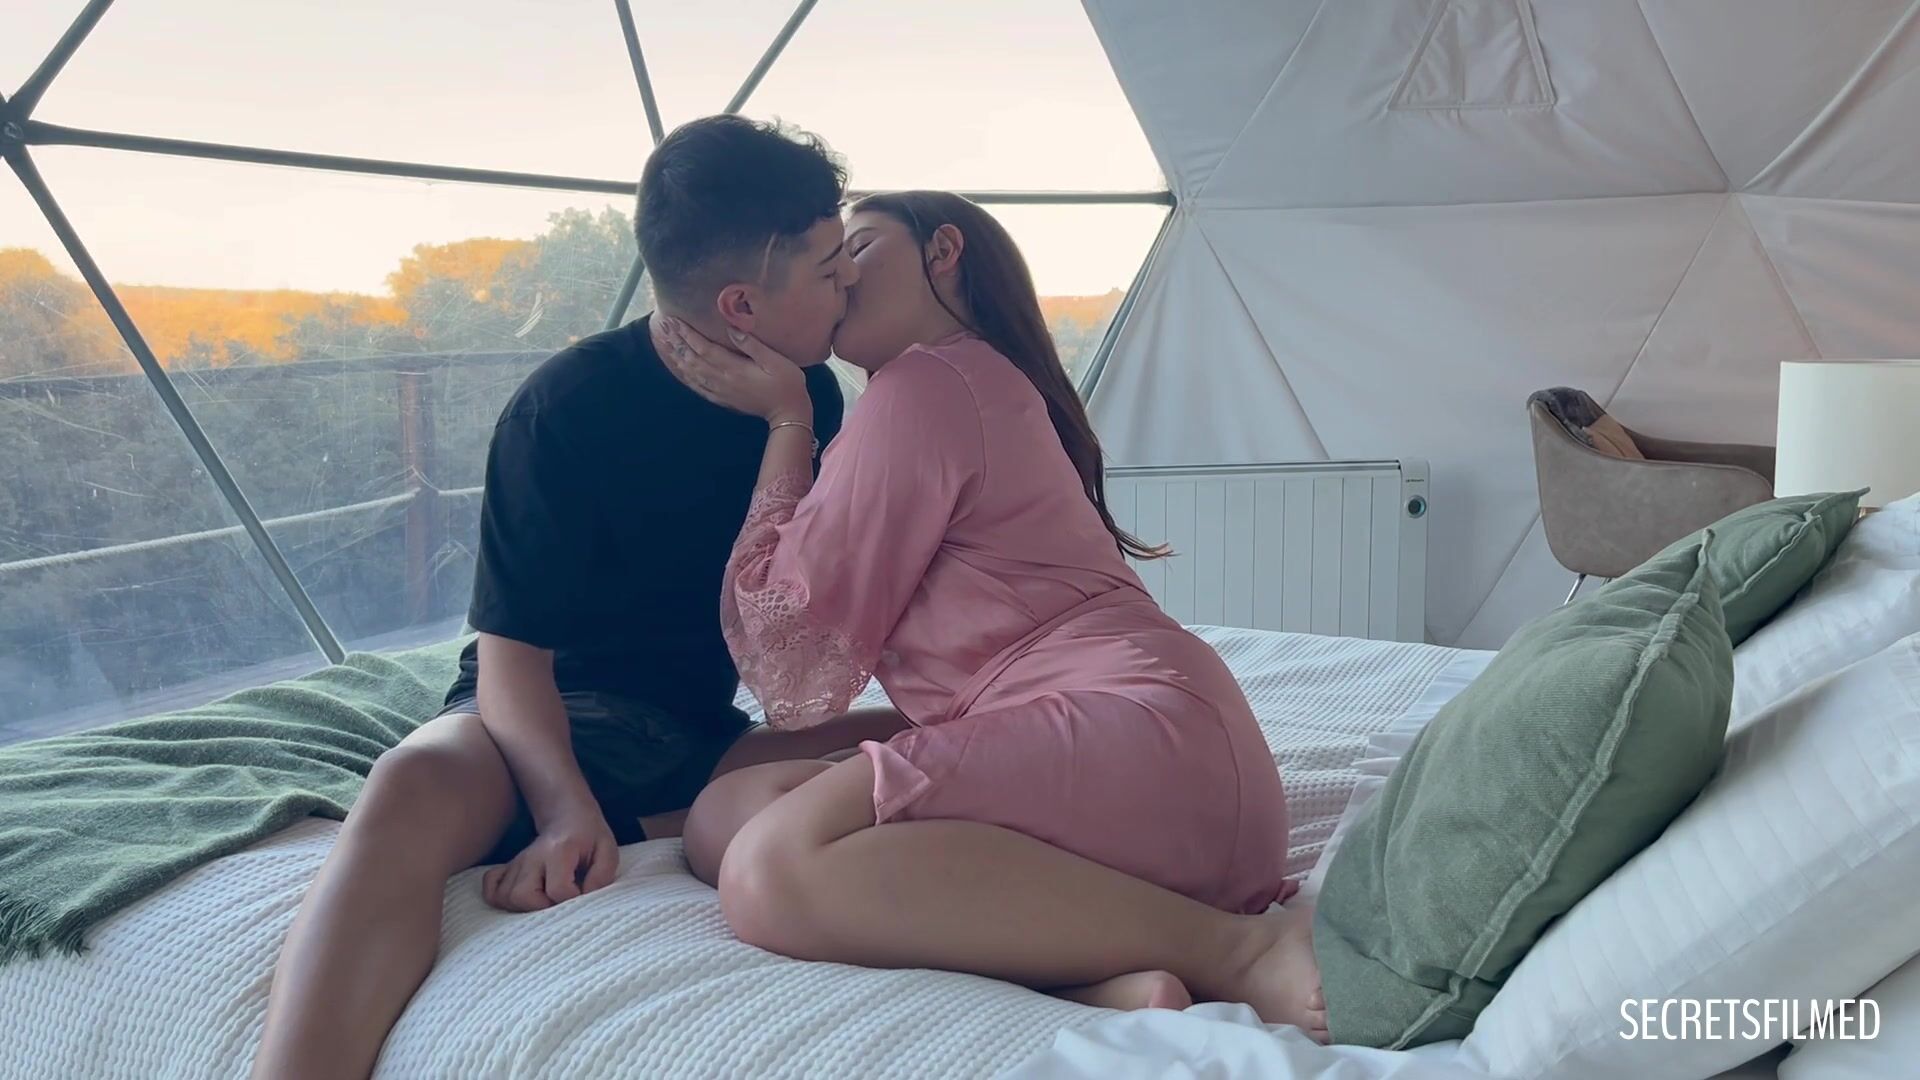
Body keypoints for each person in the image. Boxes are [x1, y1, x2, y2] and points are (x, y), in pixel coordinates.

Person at [250, 116, 908, 1080]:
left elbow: (794, 613)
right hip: (541, 723)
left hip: (697, 738)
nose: (849, 281)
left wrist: (789, 422)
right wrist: (563, 811)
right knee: (409, 780)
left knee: (942, 735)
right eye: (827, 269)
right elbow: (511, 661)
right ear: (741, 304)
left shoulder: (810, 398)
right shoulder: (567, 406)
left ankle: (646, 823)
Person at [662, 190, 1328, 1037]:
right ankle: (1100, 974)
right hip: (1167, 782)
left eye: (857, 249)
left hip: (1136, 746)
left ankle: (1236, 952)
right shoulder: (978, 380)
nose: (842, 279)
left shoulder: (926, 382)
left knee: (771, 869)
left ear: (943, 252)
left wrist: (789, 418)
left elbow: (789, 650)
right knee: (724, 816)